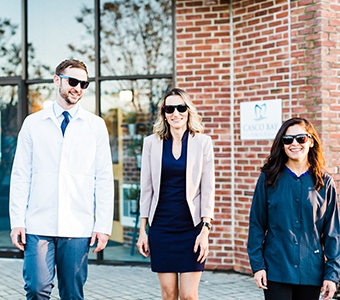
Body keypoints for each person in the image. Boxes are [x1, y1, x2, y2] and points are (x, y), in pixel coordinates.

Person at [9, 59, 114, 299]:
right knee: (36, 289)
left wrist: (103, 226)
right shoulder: (33, 123)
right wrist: (17, 221)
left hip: (78, 226)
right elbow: (21, 175)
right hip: (38, 223)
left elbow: (104, 178)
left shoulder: (95, 126)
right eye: (73, 81)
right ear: (57, 80)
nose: (78, 88)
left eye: (83, 84)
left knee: (72, 293)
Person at [247, 117, 340, 300]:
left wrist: (332, 274)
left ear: (311, 141)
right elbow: (257, 225)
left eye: (301, 139)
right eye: (288, 140)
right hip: (276, 269)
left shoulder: (325, 183)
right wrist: (258, 266)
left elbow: (332, 233)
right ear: (282, 145)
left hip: (310, 272)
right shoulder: (268, 179)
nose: (294, 144)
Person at [136, 88, 215, 300]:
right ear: (163, 112)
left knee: (189, 295)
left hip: (192, 229)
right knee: (169, 293)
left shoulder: (203, 142)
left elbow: (207, 189)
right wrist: (143, 230)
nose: (175, 113)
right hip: (162, 228)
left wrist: (205, 229)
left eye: (181, 107)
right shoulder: (151, 143)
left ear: (188, 111)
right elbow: (146, 190)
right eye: (169, 108)